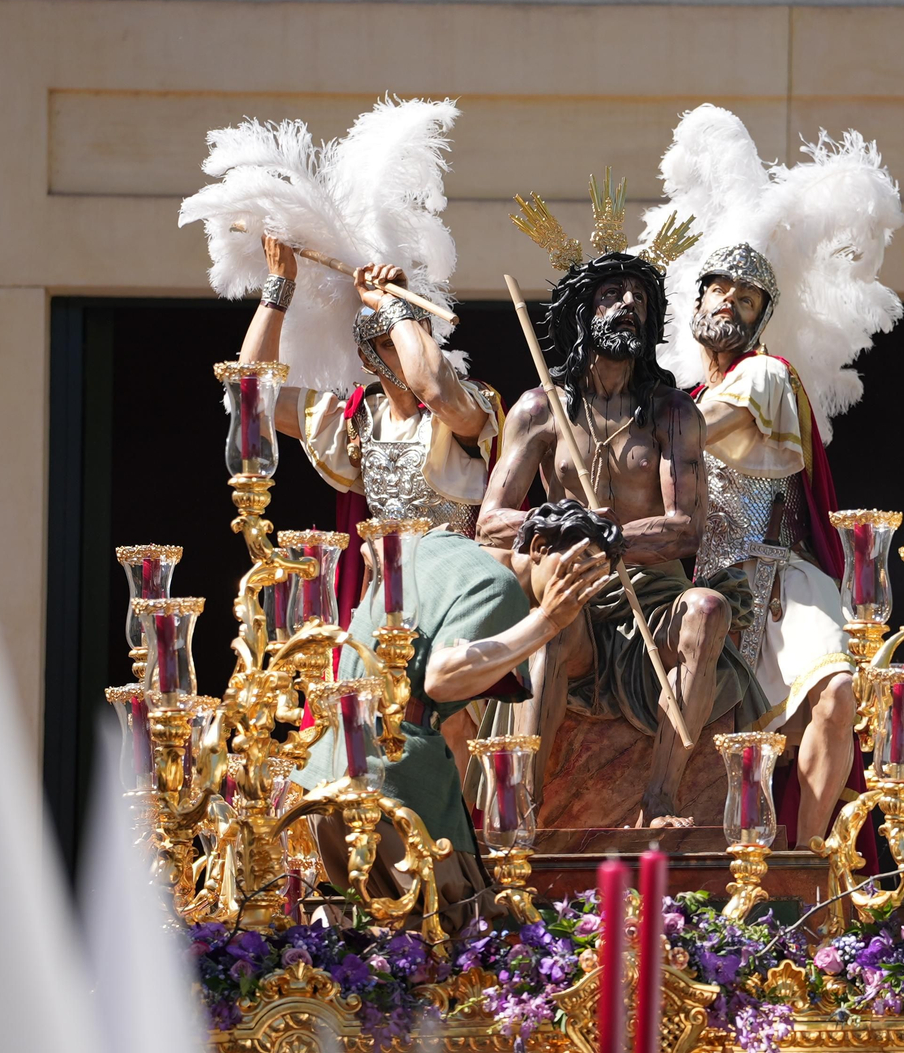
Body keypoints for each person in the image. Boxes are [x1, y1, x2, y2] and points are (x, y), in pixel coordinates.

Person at [479, 213, 763, 828]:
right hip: (573, 592)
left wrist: (613, 537)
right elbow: (490, 522)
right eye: (612, 294)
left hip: (653, 597)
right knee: (556, 619)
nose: (628, 304)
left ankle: (661, 796)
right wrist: (549, 523)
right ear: (583, 312)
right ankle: (526, 800)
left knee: (709, 609)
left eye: (640, 297)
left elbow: (685, 527)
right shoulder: (538, 411)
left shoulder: (670, 415)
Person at [296, 506, 614, 921]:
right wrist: (548, 620)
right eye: (576, 568)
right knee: (456, 932)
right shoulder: (502, 589)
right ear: (537, 547)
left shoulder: (438, 543)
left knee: (376, 942)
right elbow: (441, 678)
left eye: (593, 579)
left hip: (328, 770)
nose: (579, 588)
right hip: (389, 780)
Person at [685, 242, 858, 850]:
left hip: (783, 578)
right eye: (720, 290)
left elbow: (697, 436)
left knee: (836, 693)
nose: (730, 302)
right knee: (717, 758)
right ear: (699, 298)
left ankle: (805, 865)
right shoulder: (676, 402)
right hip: (704, 594)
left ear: (760, 318)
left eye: (747, 298)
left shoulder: (765, 374)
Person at [239, 235, 503, 617]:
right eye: (389, 343)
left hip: (460, 601)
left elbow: (432, 387)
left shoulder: (466, 410)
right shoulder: (358, 420)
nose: (403, 347)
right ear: (367, 357)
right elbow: (252, 397)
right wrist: (280, 282)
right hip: (384, 610)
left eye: (410, 334)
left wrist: (394, 306)